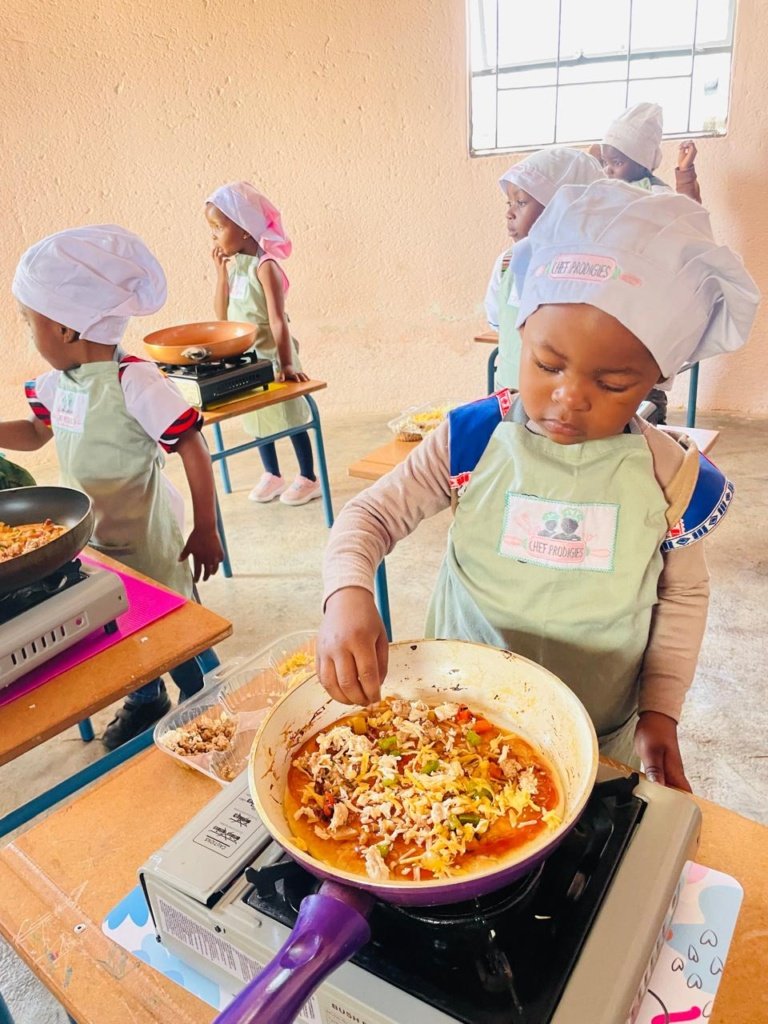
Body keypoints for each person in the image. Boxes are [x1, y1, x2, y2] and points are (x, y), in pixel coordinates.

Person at [317, 180, 760, 790]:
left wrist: (660, 710)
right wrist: (346, 592)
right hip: (461, 711)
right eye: (548, 365)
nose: (568, 398)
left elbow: (682, 595)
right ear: (521, 332)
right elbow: (370, 517)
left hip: (594, 728)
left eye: (612, 384)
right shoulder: (472, 440)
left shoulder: (669, 476)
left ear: (656, 379)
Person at [0, 225, 224, 748]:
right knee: (119, 623)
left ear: (65, 329)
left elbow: (191, 445)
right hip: (92, 538)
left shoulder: (134, 381)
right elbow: (34, 434)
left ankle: (210, 702)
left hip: (148, 541)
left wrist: (206, 528)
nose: (29, 334)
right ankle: (147, 697)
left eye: (30, 322)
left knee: (174, 627)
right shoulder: (57, 385)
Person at [205, 182, 320, 506]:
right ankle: (272, 473)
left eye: (218, 227)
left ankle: (308, 477)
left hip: (274, 355)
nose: (213, 236)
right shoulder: (236, 268)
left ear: (244, 228)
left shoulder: (265, 266)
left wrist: (287, 364)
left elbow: (277, 320)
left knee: (291, 415)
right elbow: (222, 316)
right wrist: (221, 275)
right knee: (256, 416)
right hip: (248, 358)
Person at [485, 147, 604, 391]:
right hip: (508, 397)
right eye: (509, 202)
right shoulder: (507, 263)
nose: (509, 213)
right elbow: (497, 320)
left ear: (563, 209)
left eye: (521, 202)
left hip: (563, 402)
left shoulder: (591, 270)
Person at [600, 102, 702, 201]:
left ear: (641, 162)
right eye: (605, 162)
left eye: (617, 163)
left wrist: (685, 171)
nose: (608, 170)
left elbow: (687, 210)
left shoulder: (657, 193)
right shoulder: (609, 188)